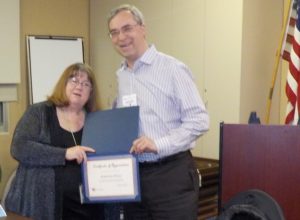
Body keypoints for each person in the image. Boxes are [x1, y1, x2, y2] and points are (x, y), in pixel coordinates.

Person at [107, 4, 209, 220]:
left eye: (127, 28)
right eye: (114, 32)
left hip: (171, 175)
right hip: (135, 178)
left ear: (143, 28)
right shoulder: (121, 75)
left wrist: (158, 143)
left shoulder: (172, 68)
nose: (121, 37)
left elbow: (199, 120)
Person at [5, 63, 105, 220]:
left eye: (86, 84)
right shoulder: (39, 112)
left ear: (91, 92)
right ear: (63, 84)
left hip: (89, 209)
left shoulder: (98, 120)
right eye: (74, 80)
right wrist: (64, 153)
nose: (79, 87)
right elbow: (19, 147)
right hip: (42, 208)